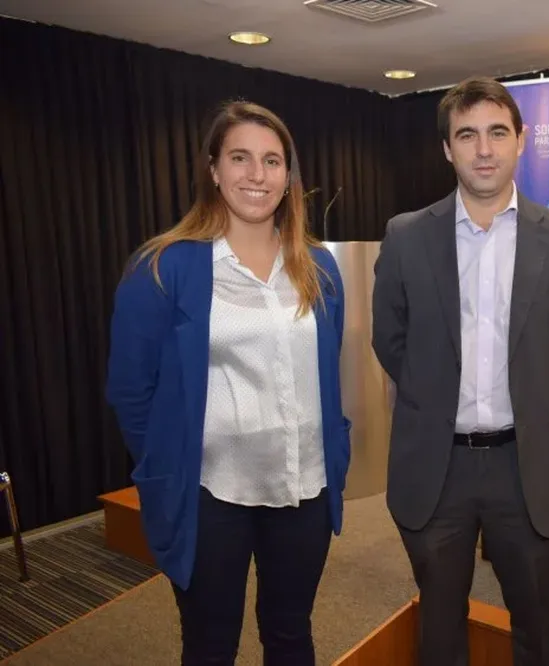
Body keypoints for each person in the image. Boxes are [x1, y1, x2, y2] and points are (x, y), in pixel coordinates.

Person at [105, 101, 351, 666]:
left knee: (291, 634)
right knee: (211, 645)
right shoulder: (163, 267)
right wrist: (168, 464)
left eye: (271, 161)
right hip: (211, 494)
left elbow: (323, 371)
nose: (256, 175)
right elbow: (130, 391)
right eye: (240, 158)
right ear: (214, 169)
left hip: (303, 487)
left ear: (289, 176)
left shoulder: (318, 268)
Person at [371, 76, 549, 666]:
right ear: (447, 148)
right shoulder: (405, 236)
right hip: (435, 466)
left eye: (498, 132)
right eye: (467, 135)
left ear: (522, 140)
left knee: (538, 624)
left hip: (525, 467)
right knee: (440, 625)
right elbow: (389, 340)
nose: (484, 149)